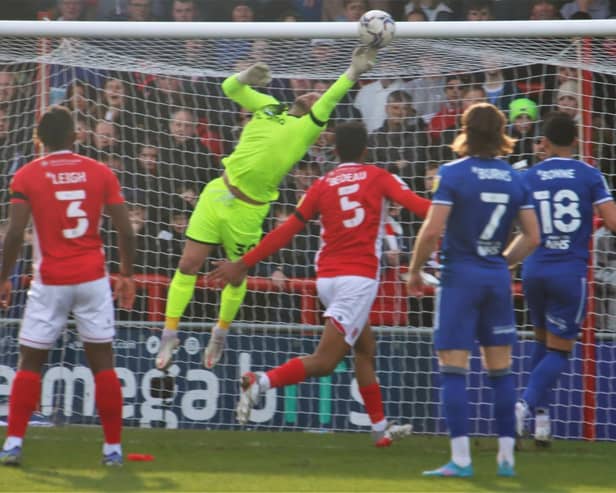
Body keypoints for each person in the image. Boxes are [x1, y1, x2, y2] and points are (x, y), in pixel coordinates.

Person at [155, 46, 379, 371]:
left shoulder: (308, 130)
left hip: (250, 209)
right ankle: (169, 333)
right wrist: (245, 77)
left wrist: (351, 74)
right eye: (311, 91)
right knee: (189, 264)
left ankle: (220, 332)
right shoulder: (271, 107)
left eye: (319, 96)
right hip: (218, 191)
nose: (315, 95)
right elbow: (230, 89)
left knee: (236, 274)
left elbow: (330, 98)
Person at [207, 121, 430, 445]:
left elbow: (286, 231)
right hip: (359, 278)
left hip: (326, 280)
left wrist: (243, 263)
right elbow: (421, 208)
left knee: (366, 349)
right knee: (325, 362)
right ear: (366, 149)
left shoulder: (323, 184)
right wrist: (453, 206)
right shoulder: (380, 177)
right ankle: (261, 381)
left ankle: (380, 429)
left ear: (335, 150)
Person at [407, 102, 540, 478]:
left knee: (453, 368)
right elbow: (533, 236)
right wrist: (503, 263)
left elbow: (432, 231)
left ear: (465, 130)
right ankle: (506, 459)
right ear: (501, 134)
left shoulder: (452, 173)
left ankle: (461, 460)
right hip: (496, 277)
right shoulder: (517, 179)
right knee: (500, 370)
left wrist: (414, 270)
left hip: (460, 277)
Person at [0, 105, 136, 466]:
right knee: (103, 362)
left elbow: (14, 234)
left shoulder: (26, 176)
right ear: (76, 136)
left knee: (30, 360)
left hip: (51, 281)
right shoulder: (100, 172)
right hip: (92, 277)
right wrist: (126, 275)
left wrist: (3, 279)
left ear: (38, 139)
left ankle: (13, 443)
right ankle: (112, 450)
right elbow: (125, 229)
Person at [515, 112, 616, 446]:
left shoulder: (529, 176)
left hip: (534, 269)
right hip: (568, 273)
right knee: (559, 351)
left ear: (543, 141)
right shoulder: (590, 175)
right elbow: (613, 222)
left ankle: (542, 423)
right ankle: (524, 406)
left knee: (541, 342)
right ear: (576, 139)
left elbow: (523, 230)